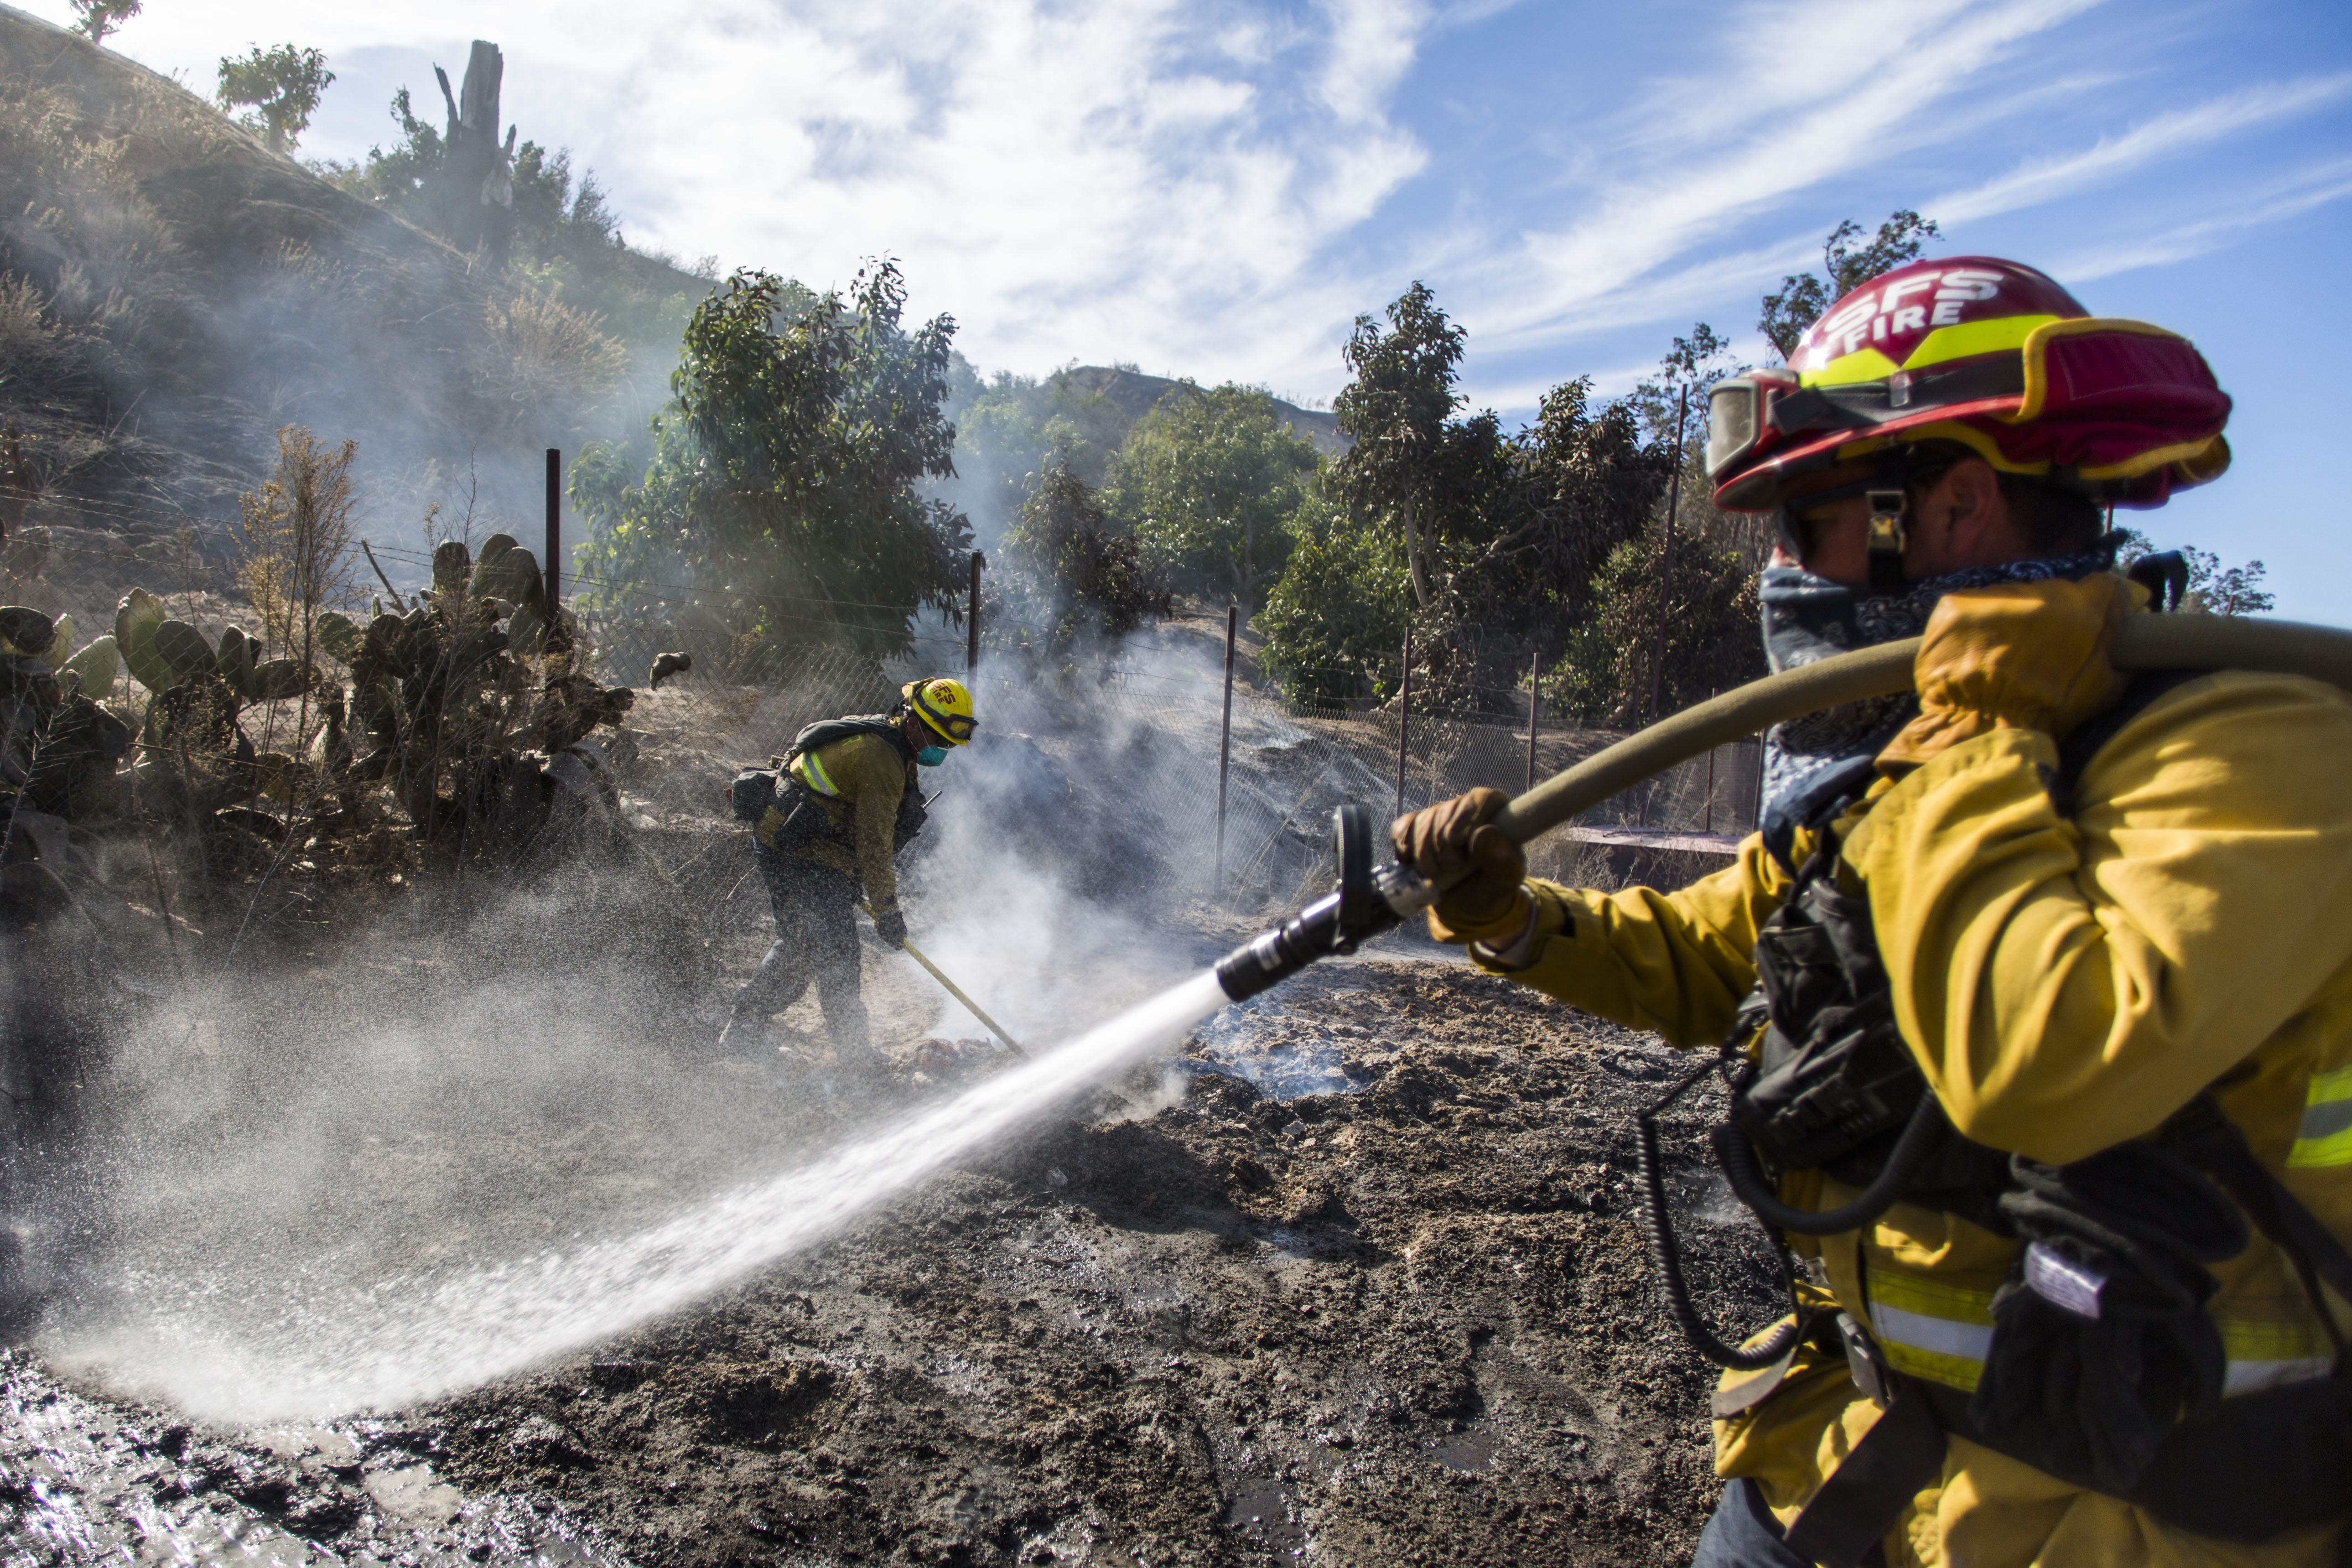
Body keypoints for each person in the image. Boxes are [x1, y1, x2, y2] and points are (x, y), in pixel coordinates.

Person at [1392, 257, 2352, 1567]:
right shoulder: (1902, 777)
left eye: (1805, 519)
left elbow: (2055, 1063)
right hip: (1846, 1469)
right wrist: (1506, 915)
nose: (1778, 572)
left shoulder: (2251, 745)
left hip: (2112, 1522)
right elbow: (1706, 954)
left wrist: (1969, 734)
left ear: (1950, 506)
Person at [718, 678, 977, 1076]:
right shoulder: (881, 759)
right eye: (937, 739)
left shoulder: (894, 746)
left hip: (816, 852)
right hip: (790, 848)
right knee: (832, 953)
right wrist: (888, 911)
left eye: (947, 744)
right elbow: (874, 844)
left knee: (808, 946)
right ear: (912, 721)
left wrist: (849, 874)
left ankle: (750, 1027)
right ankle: (844, 1056)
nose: (940, 749)